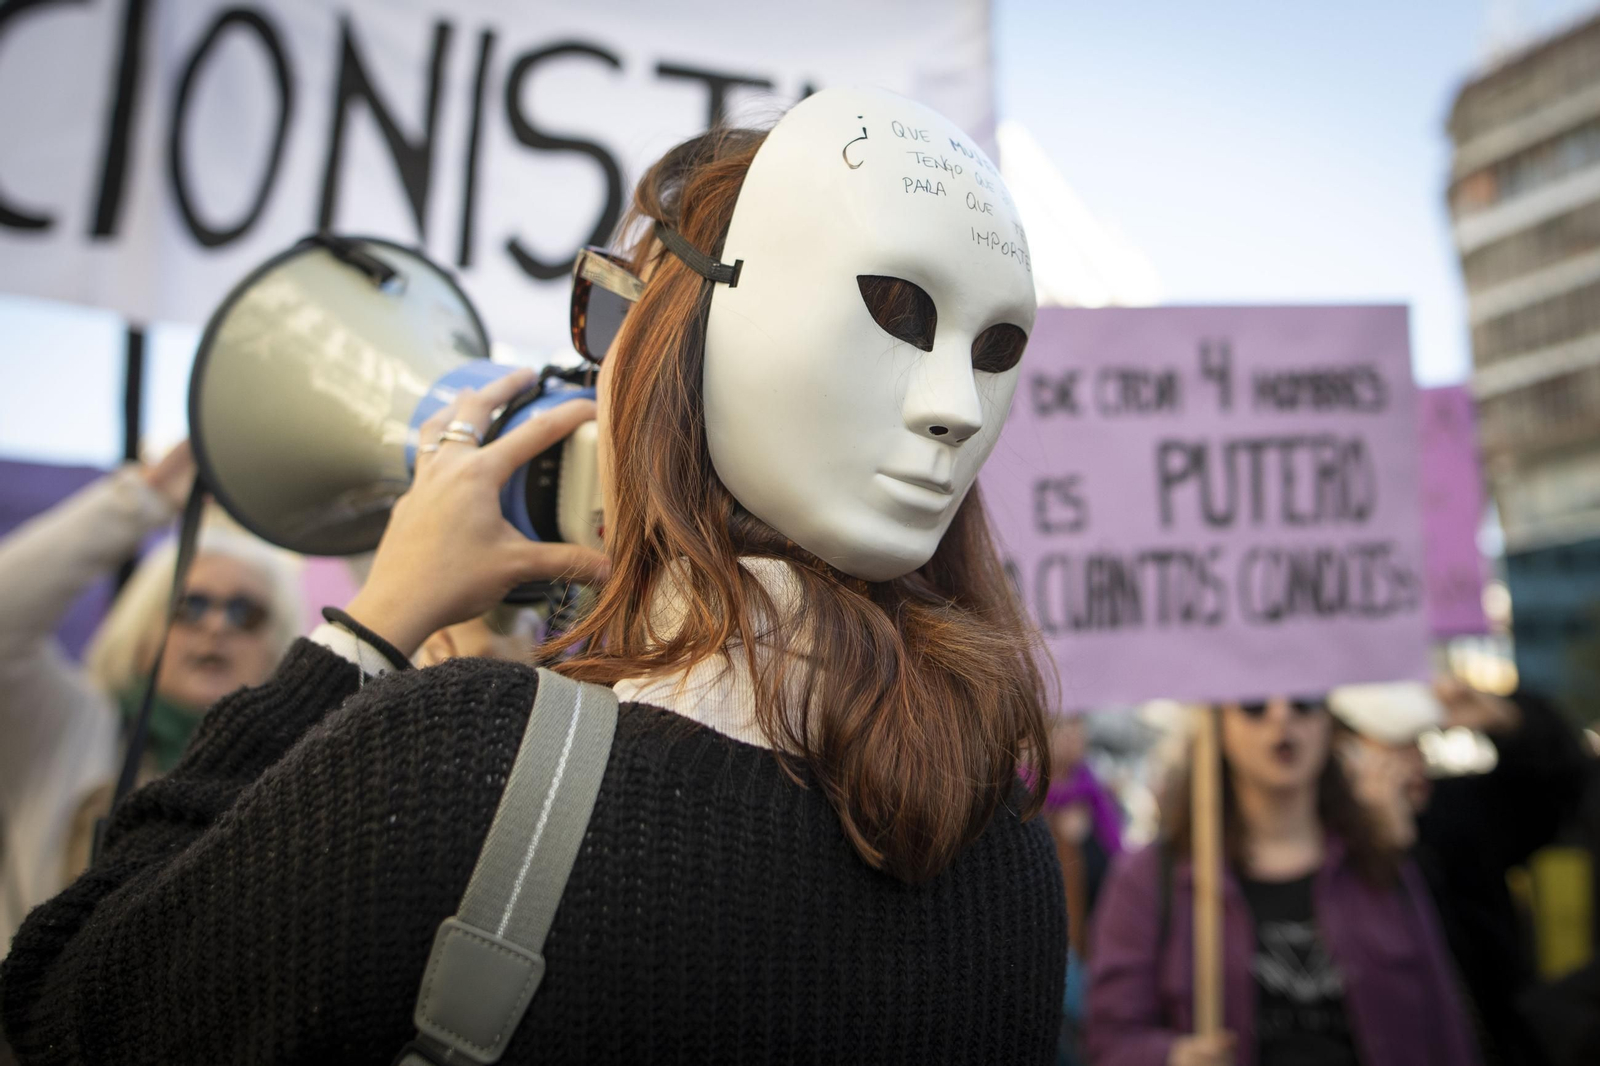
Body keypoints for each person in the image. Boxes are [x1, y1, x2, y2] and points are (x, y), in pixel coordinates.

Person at [0, 87, 1066, 1064]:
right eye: (897, 311)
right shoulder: (1011, 867)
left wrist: (370, 638)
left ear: (656, 352)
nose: (956, 407)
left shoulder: (457, 762)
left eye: (993, 346)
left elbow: (62, 1007)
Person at [0, 442, 300, 954]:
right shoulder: (70, 721)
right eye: (190, 605)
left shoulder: (292, 774)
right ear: (141, 632)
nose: (214, 627)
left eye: (244, 613)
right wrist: (147, 498)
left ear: (278, 648)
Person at [1086, 696, 1479, 1066]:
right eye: (1254, 704)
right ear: (1219, 724)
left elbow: (1445, 1025)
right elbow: (1109, 1038)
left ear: (1329, 720)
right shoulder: (1149, 878)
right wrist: (1172, 1057)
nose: (1281, 715)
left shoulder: (1377, 860)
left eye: (1303, 700)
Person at [1332, 679, 1592, 1066]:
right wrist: (1380, 847)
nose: (1413, 761)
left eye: (1415, 744)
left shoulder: (1456, 816)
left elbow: (1563, 786)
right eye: (1391, 747)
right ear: (1341, 754)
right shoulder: (1316, 855)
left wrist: (1509, 718)